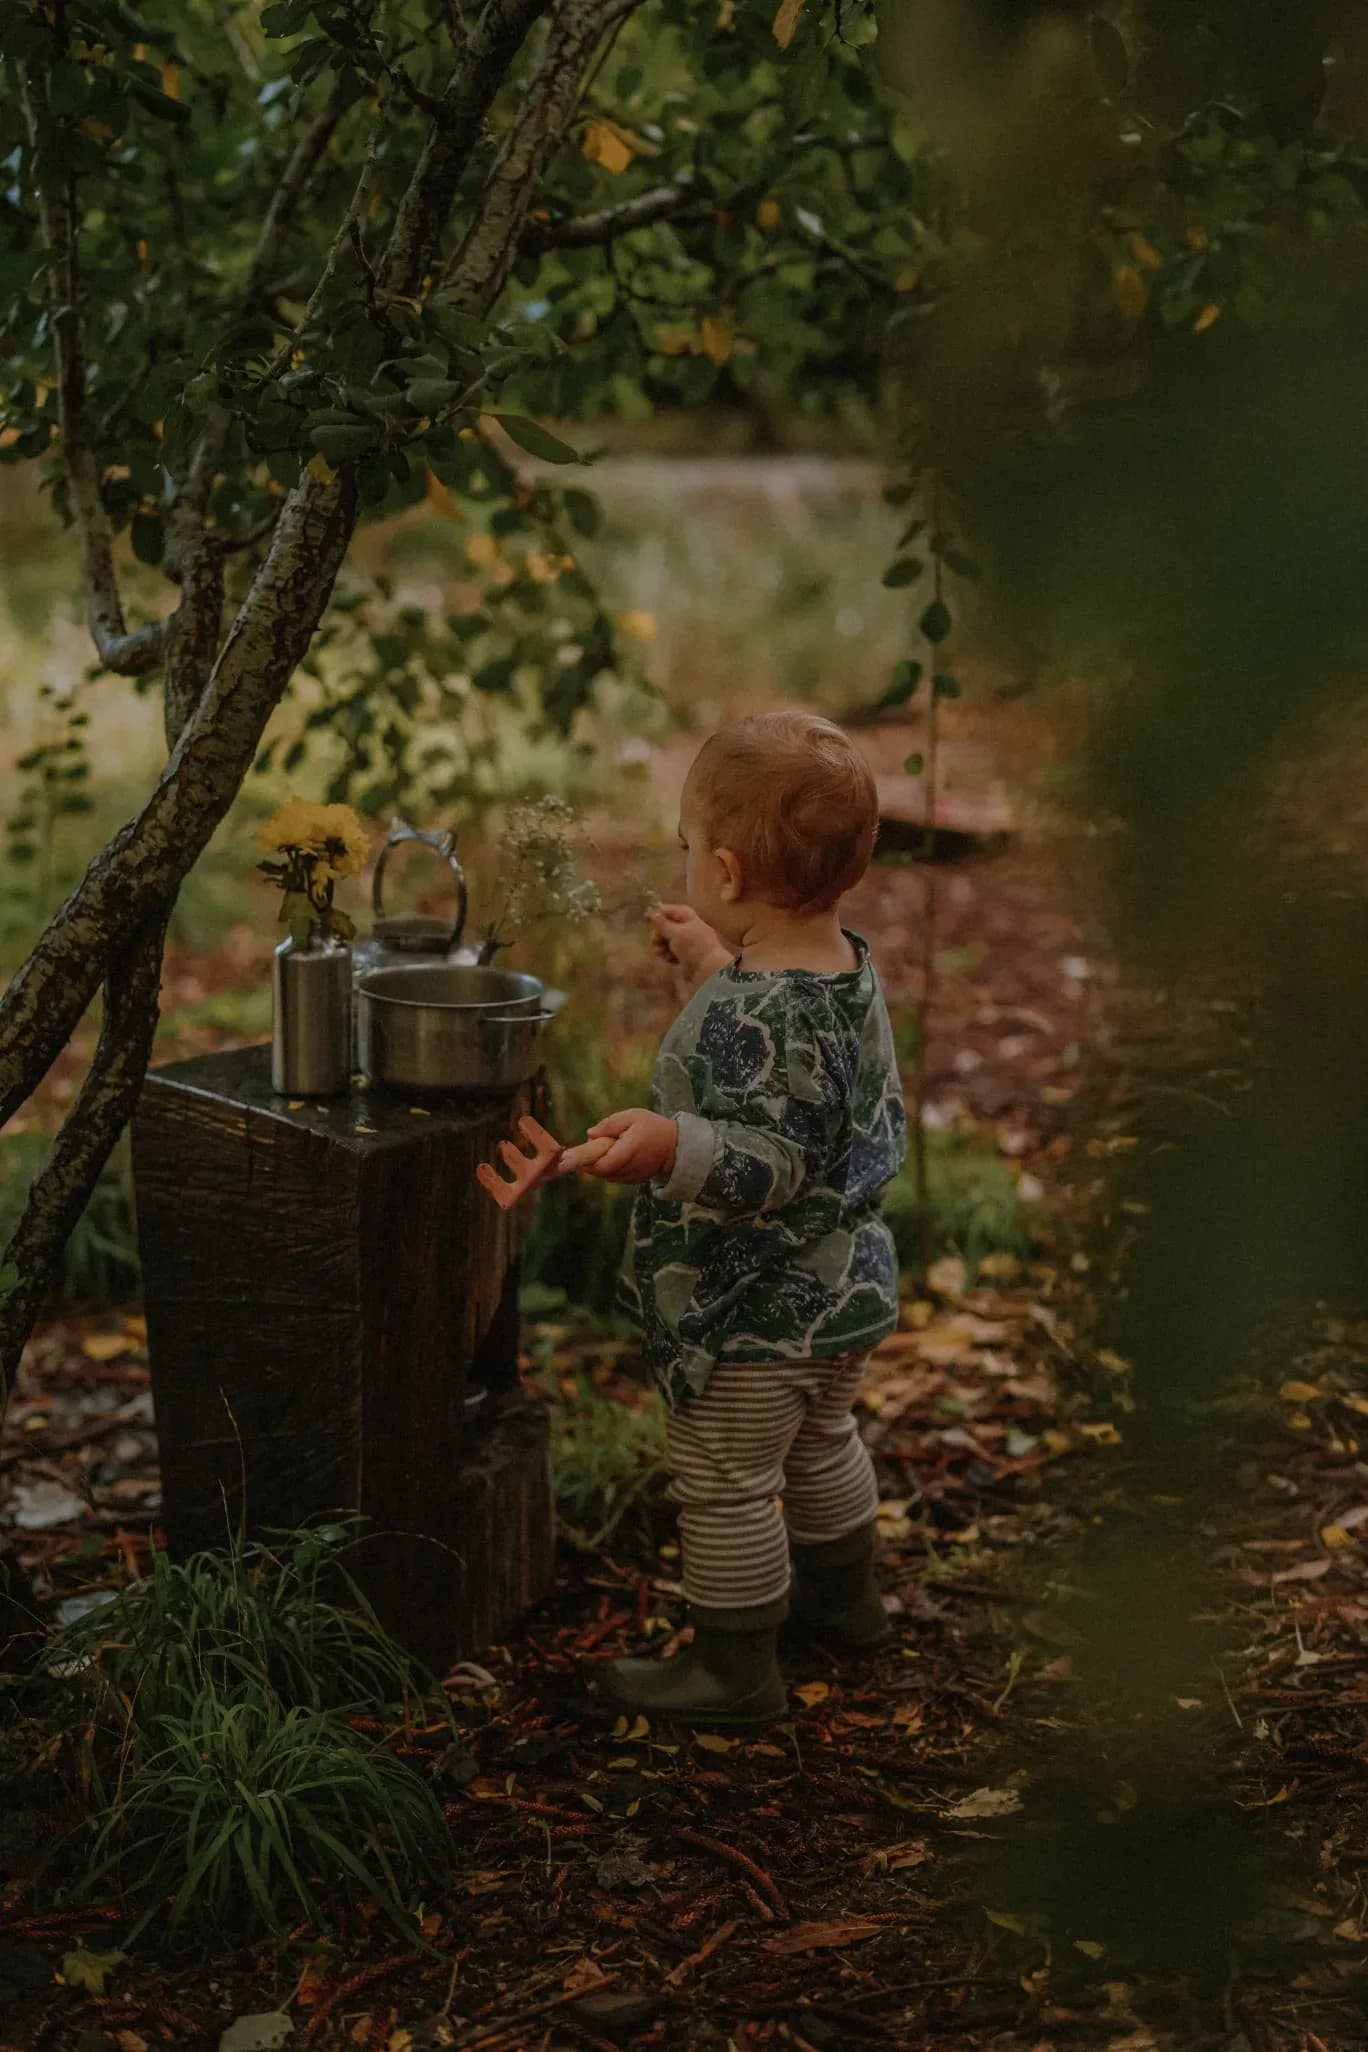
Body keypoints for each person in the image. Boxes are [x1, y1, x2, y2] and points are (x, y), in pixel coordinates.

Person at [581, 709, 907, 1726]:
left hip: (753, 1312)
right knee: (820, 1443)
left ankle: (733, 1669)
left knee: (724, 1478)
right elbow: (796, 1071)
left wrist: (670, 1145)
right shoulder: (846, 971)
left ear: (723, 868)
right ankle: (846, 1606)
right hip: (842, 1293)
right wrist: (716, 960)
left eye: (686, 849)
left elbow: (772, 1156)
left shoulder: (752, 1012)